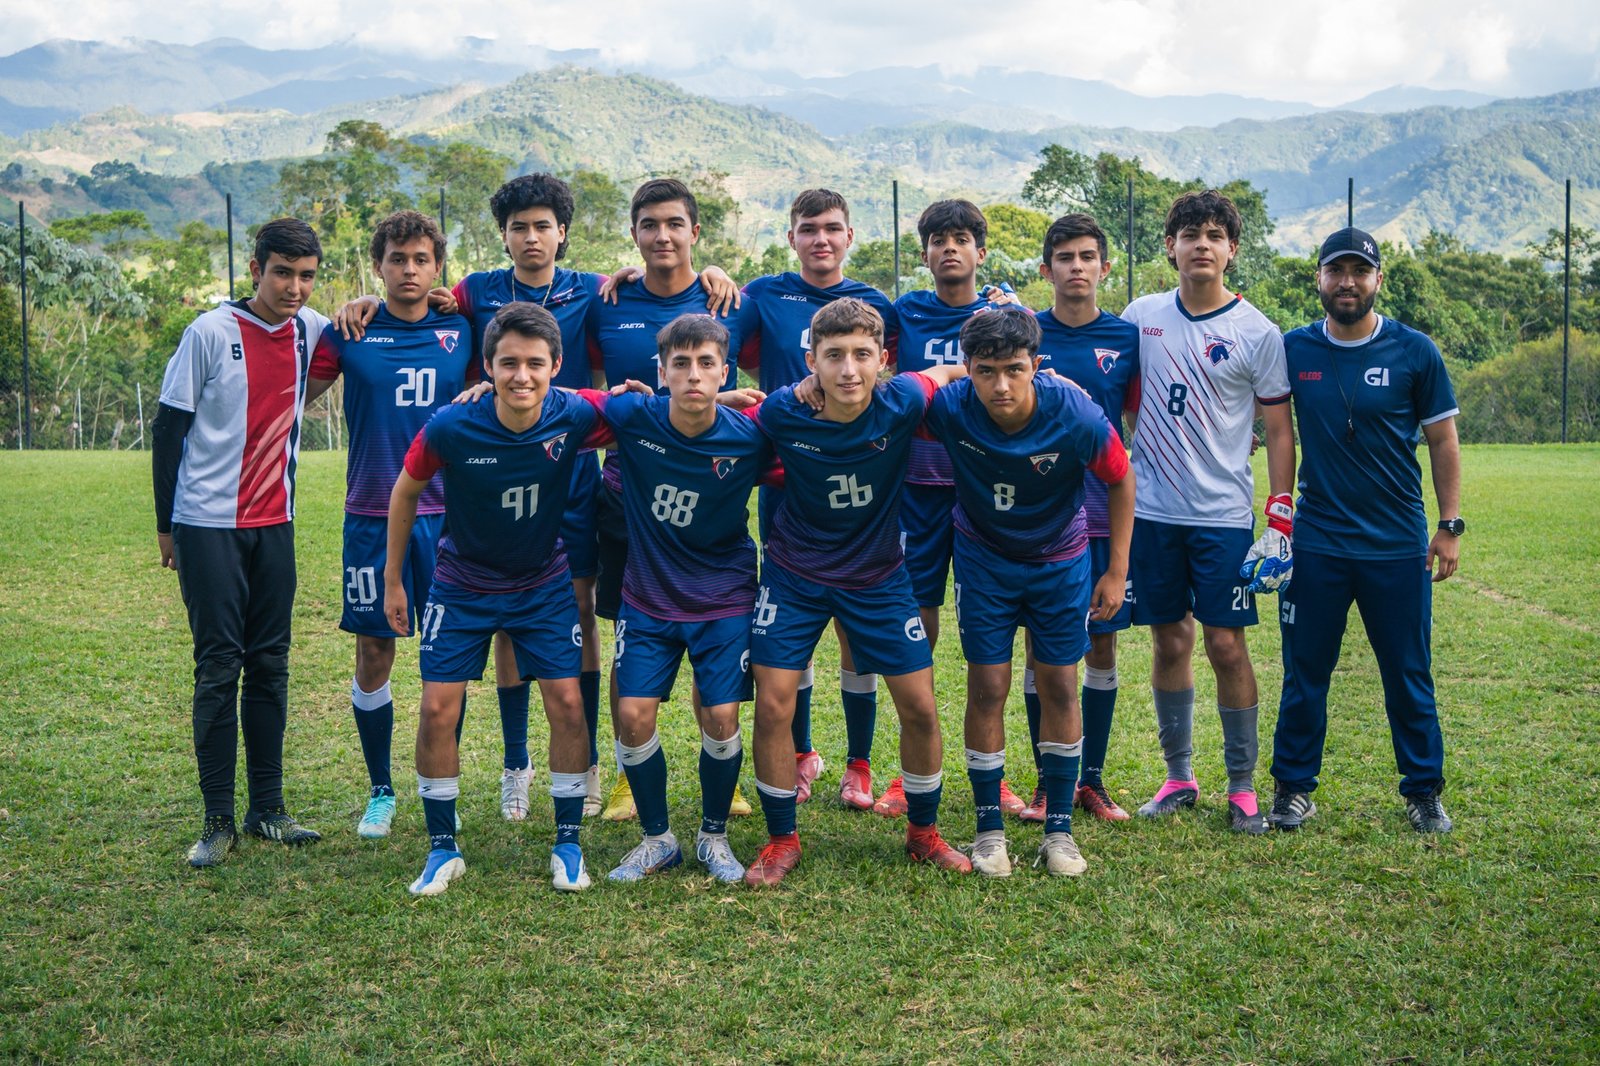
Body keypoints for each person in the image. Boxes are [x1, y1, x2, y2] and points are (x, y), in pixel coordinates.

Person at [742, 297, 971, 886]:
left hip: (878, 577)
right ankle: (781, 838)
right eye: (834, 356)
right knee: (773, 704)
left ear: (883, 360)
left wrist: (1026, 379)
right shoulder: (784, 410)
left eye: (862, 355)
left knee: (920, 706)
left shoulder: (902, 399)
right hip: (794, 574)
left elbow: (946, 372)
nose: (848, 370)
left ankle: (923, 834)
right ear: (811, 361)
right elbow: (720, 416)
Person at [386, 302, 605, 896]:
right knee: (437, 709)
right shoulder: (451, 425)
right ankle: (442, 849)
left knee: (567, 702)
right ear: (487, 367)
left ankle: (567, 843)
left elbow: (659, 414)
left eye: (535, 363)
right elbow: (405, 492)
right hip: (463, 584)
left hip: (542, 582)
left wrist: (723, 398)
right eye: (508, 363)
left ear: (556, 365)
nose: (522, 376)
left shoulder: (574, 414)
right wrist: (393, 579)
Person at [924, 308, 1135, 877]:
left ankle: (1059, 832)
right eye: (985, 370)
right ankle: (989, 831)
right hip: (983, 560)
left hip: (1060, 561)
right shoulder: (951, 406)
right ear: (967, 368)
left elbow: (1120, 478)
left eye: (1014, 369)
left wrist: (1115, 571)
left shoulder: (1075, 412)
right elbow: (888, 401)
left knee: (1060, 683)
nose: (1001, 385)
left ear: (1036, 365)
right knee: (987, 686)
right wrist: (941, 376)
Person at [1267, 227, 1462, 834]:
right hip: (1317, 542)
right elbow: (1271, 426)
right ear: (1319, 279)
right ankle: (1292, 789)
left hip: (1395, 544)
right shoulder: (1294, 348)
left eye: (1359, 271)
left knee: (1407, 673)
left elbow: (1443, 439)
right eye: (1336, 271)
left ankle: (1423, 791)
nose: (1347, 282)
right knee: (1305, 674)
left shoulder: (1415, 351)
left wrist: (1449, 524)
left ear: (1378, 279)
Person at [152, 217, 328, 867]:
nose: (294, 288)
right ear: (256, 270)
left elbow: (377, 319)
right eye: (282, 273)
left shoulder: (312, 330)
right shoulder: (208, 333)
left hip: (275, 523)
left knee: (271, 663)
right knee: (220, 665)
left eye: (306, 276)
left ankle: (268, 810)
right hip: (207, 526)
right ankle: (218, 819)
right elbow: (168, 431)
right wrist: (166, 526)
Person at [1119, 190, 1295, 835]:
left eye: (1215, 235)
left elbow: (1279, 429)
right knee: (1170, 639)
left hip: (1222, 516)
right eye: (1189, 234)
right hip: (1152, 513)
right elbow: (1120, 391)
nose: (1201, 245)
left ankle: (1242, 787)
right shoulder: (1140, 316)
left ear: (1232, 250)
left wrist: (1280, 515)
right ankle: (1179, 777)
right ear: (1170, 246)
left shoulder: (1257, 332)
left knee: (1225, 643)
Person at [578, 315, 776, 883]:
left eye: (706, 364)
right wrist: (490, 387)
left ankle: (714, 836)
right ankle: (657, 839)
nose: (693, 374)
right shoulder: (633, 416)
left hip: (724, 596)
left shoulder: (751, 435)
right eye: (680, 364)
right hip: (648, 593)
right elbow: (560, 400)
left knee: (720, 714)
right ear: (661, 372)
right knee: (633, 714)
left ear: (725, 372)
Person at [585, 177, 750, 822]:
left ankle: (725, 774)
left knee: (714, 649)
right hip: (627, 499)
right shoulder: (607, 298)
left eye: (675, 224)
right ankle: (628, 779)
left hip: (707, 490)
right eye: (649, 225)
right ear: (633, 234)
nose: (662, 236)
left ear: (695, 232)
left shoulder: (727, 299)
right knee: (631, 642)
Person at [728, 188, 899, 809]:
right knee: (790, 637)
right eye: (808, 228)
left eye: (831, 228)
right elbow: (716, 344)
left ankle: (859, 763)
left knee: (856, 633)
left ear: (849, 236)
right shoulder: (762, 295)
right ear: (792, 237)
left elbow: (895, 380)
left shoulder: (878, 304)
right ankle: (801, 754)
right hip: (787, 483)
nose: (820, 239)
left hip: (861, 486)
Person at [304, 210, 472, 839]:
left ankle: (441, 783)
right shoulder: (349, 331)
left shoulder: (461, 329)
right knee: (375, 650)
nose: (409, 270)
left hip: (449, 519)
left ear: (438, 267)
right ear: (378, 266)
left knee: (445, 659)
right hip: (372, 516)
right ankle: (381, 789)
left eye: (421, 259)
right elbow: (294, 396)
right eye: (397, 259)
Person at [867, 199, 1026, 819]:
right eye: (938, 240)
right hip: (917, 490)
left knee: (991, 641)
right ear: (925, 252)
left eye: (961, 238)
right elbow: (859, 352)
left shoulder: (1003, 314)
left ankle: (995, 772)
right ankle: (908, 772)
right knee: (918, 626)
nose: (950, 248)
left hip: (984, 489)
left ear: (980, 251)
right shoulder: (903, 312)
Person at [1027, 213, 1142, 824]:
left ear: (1104, 267)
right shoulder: (1024, 333)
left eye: (1087, 256)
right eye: (1065, 257)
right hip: (1039, 518)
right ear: (1047, 270)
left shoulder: (1126, 338)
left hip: (1101, 517)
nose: (1077, 267)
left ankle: (1090, 779)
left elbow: (1137, 421)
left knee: (1101, 645)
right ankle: (1048, 783)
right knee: (1040, 654)